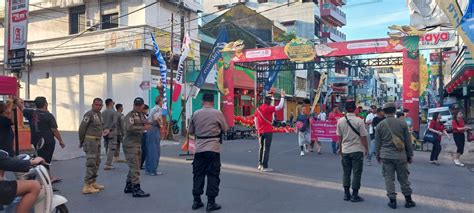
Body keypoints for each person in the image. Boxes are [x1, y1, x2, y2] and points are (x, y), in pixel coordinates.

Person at [189, 93, 229, 212]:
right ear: (212, 101)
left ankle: (196, 201)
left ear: (202, 101)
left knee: (198, 174)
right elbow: (225, 129)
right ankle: (211, 203)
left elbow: (191, 131)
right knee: (213, 175)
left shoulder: (196, 113)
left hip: (199, 148)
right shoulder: (218, 113)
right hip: (213, 148)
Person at [375, 102, 416, 209]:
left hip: (386, 155)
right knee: (403, 178)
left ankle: (392, 201)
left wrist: (378, 155)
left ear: (384, 112)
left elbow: (377, 143)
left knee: (389, 178)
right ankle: (408, 200)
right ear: (394, 111)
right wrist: (410, 155)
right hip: (400, 156)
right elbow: (408, 141)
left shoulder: (380, 125)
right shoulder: (402, 124)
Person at [21, 97, 65, 182]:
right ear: (45, 104)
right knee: (45, 160)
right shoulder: (49, 115)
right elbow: (54, 129)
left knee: (41, 158)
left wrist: (18, 101)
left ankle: (48, 177)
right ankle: (42, 178)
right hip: (47, 141)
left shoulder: (31, 112)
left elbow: (22, 108)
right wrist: (60, 140)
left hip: (36, 140)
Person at [336, 101, 368, 203]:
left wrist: (340, 148)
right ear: (355, 109)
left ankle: (346, 194)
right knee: (357, 173)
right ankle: (355, 195)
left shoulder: (340, 121)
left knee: (346, 172)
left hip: (345, 150)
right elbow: (363, 137)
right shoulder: (359, 121)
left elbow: (339, 137)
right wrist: (366, 148)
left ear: (345, 109)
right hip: (357, 150)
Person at [123, 97, 151, 198]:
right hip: (130, 144)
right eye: (136, 105)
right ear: (134, 105)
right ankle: (136, 189)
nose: (138, 107)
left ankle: (129, 186)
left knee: (134, 165)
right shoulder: (130, 115)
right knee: (135, 167)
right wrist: (143, 127)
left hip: (137, 143)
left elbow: (146, 121)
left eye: (140, 105)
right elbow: (129, 128)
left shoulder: (140, 114)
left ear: (143, 105)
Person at [254, 90, 286, 172]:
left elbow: (255, 120)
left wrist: (257, 130)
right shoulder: (268, 108)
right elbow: (279, 107)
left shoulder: (258, 109)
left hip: (260, 131)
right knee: (266, 149)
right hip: (268, 130)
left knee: (261, 148)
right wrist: (282, 97)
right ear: (269, 102)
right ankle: (265, 167)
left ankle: (259, 164)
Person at [79, 98, 106, 194]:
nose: (98, 107)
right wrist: (81, 141)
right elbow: (82, 128)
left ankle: (93, 182)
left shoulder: (99, 115)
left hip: (97, 141)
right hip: (90, 142)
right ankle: (87, 185)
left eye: (100, 105)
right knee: (91, 162)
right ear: (92, 105)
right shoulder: (89, 114)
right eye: (96, 105)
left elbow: (99, 127)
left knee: (97, 161)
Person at [145, 97, 163, 176]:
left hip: (149, 129)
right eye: (162, 101)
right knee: (154, 150)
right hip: (154, 128)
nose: (162, 103)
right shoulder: (158, 109)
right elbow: (156, 118)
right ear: (159, 102)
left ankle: (148, 169)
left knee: (149, 149)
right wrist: (161, 125)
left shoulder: (153, 108)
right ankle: (153, 170)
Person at [102, 98, 118, 170]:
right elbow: (114, 122)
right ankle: (108, 164)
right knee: (111, 148)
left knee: (106, 147)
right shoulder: (113, 112)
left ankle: (109, 162)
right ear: (111, 103)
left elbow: (101, 122)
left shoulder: (103, 112)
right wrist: (109, 129)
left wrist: (104, 130)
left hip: (104, 132)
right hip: (112, 131)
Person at [140, 105, 150, 170]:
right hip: (143, 134)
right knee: (144, 150)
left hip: (145, 133)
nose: (147, 111)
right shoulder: (141, 116)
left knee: (145, 150)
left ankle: (141, 164)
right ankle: (140, 164)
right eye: (146, 110)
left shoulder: (145, 115)